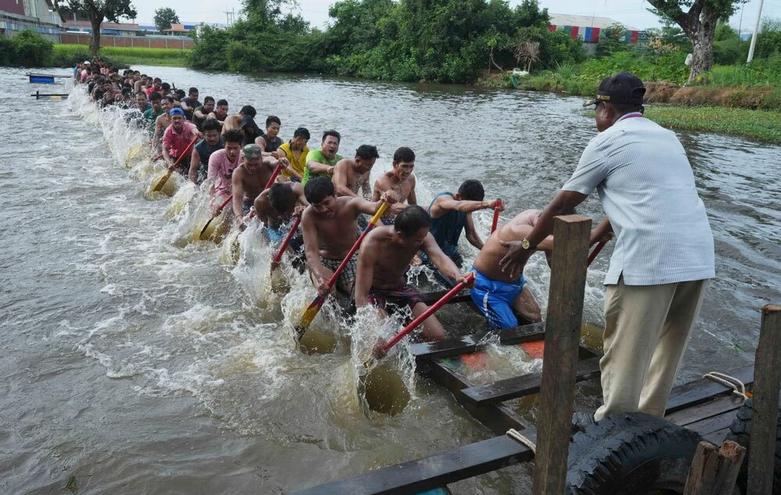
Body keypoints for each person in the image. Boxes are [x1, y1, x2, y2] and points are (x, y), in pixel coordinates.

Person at [499, 72, 715, 421]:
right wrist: (596, 237)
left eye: (596, 109)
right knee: (666, 352)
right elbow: (643, 198)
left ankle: (614, 432)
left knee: (624, 355)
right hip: (698, 257)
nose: (595, 118)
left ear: (606, 108)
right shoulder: (667, 137)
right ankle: (650, 426)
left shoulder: (608, 140)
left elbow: (563, 203)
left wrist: (526, 245)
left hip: (650, 260)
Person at [473, 210, 611, 328]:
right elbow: (564, 243)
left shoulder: (544, 225)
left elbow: (553, 263)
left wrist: (576, 263)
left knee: (535, 317)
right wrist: (597, 235)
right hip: (488, 286)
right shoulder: (520, 229)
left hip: (514, 284)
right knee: (509, 327)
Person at [355, 205, 467, 342]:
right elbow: (361, 296)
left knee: (437, 336)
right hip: (373, 292)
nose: (423, 241)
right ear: (400, 235)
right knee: (384, 340)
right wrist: (372, 330)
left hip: (399, 289)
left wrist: (458, 276)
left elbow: (439, 257)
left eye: (424, 236)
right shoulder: (372, 243)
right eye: (418, 239)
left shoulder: (423, 237)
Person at [301, 177, 399, 307]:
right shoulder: (308, 216)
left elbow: (375, 208)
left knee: (358, 294)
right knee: (328, 296)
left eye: (326, 203)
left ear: (335, 195)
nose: (323, 209)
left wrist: (387, 198)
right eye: (317, 206)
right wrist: (319, 276)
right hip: (324, 260)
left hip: (350, 258)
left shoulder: (351, 204)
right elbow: (311, 252)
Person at [426, 180, 503, 268]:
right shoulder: (443, 200)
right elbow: (459, 205)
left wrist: (486, 251)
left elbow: (471, 235)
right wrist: (487, 204)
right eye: (471, 205)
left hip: (450, 253)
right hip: (431, 254)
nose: (471, 209)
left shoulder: (467, 209)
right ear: (458, 196)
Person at [231, 144, 284, 228]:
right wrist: (239, 218)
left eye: (256, 164)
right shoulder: (238, 173)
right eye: (249, 164)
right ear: (242, 159)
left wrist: (280, 162)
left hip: (269, 200)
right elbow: (237, 198)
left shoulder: (267, 162)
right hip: (250, 203)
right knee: (246, 226)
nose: (252, 168)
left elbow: (275, 162)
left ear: (261, 158)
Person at [254, 182, 308, 246]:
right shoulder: (260, 202)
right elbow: (263, 228)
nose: (282, 215)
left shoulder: (296, 188)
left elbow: (312, 206)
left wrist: (304, 210)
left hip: (294, 221)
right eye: (280, 212)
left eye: (289, 208)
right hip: (275, 229)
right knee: (278, 247)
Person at [372, 146, 417, 223]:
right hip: (378, 220)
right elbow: (395, 206)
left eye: (411, 166)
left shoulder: (411, 179)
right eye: (404, 166)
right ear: (394, 164)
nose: (408, 171)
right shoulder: (383, 180)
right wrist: (426, 209)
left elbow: (413, 205)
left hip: (397, 219)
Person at [207, 129, 244, 204]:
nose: (232, 152)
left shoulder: (244, 157)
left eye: (235, 148)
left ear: (241, 146)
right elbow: (211, 183)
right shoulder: (215, 156)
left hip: (239, 190)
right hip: (222, 190)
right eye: (229, 148)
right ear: (224, 146)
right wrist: (212, 202)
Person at [188, 118, 224, 184]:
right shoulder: (198, 148)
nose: (212, 138)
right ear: (204, 135)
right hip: (206, 173)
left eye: (214, 135)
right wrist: (193, 186)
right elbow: (193, 170)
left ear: (219, 133)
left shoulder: (226, 144)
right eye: (209, 136)